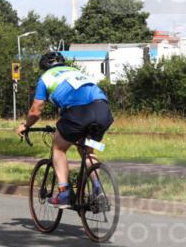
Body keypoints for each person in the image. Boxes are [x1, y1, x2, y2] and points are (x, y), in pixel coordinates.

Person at [17, 51, 114, 208]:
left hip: (79, 113)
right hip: (103, 112)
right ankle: (98, 190)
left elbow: (36, 110)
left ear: (44, 67)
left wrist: (26, 125)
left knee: (59, 149)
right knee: (88, 150)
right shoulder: (76, 72)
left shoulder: (46, 78)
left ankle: (64, 193)